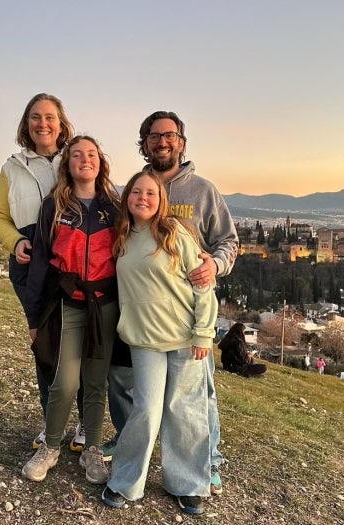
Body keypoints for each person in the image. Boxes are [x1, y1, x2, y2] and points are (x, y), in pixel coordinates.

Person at [105, 111, 239, 497]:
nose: (161, 141)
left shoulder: (202, 192)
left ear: (181, 141)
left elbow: (228, 243)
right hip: (144, 326)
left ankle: (202, 469)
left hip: (189, 319)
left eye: (169, 135)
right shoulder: (126, 215)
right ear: (144, 143)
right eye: (153, 135)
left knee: (192, 405)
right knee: (143, 402)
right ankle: (133, 469)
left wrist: (214, 264)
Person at [101, 171, 217, 515]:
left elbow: (202, 286)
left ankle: (188, 484)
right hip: (144, 341)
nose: (143, 197)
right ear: (127, 198)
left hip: (185, 338)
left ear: (161, 199)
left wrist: (204, 333)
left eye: (150, 193)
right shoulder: (120, 236)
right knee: (146, 411)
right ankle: (124, 481)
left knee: (185, 411)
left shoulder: (175, 233)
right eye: (136, 192)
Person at [20, 136, 121, 485]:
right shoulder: (54, 206)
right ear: (68, 164)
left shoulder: (114, 207)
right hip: (66, 304)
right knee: (64, 383)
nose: (84, 160)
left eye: (91, 154)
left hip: (105, 305)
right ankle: (50, 446)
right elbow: (40, 263)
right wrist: (34, 317)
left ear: (100, 162)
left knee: (95, 382)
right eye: (76, 155)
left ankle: (92, 448)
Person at [0, 93, 85, 453]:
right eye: (35, 117)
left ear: (62, 123)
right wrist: (15, 242)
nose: (42, 123)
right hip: (31, 265)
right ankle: (51, 423)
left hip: (73, 263)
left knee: (79, 345)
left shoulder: (76, 157)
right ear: (26, 123)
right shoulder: (12, 167)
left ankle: (81, 424)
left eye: (49, 117)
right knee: (44, 346)